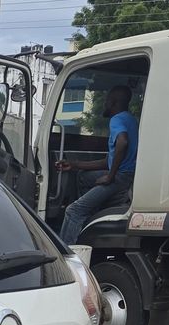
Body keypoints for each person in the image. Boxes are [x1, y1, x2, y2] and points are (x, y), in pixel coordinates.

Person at [56, 85, 139, 245]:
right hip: (125, 175)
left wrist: (110, 176)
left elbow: (122, 142)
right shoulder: (130, 119)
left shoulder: (117, 119)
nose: (104, 104)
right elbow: (108, 161)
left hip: (119, 178)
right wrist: (74, 164)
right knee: (83, 177)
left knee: (73, 211)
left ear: (113, 102)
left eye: (106, 101)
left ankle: (66, 253)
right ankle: (90, 213)